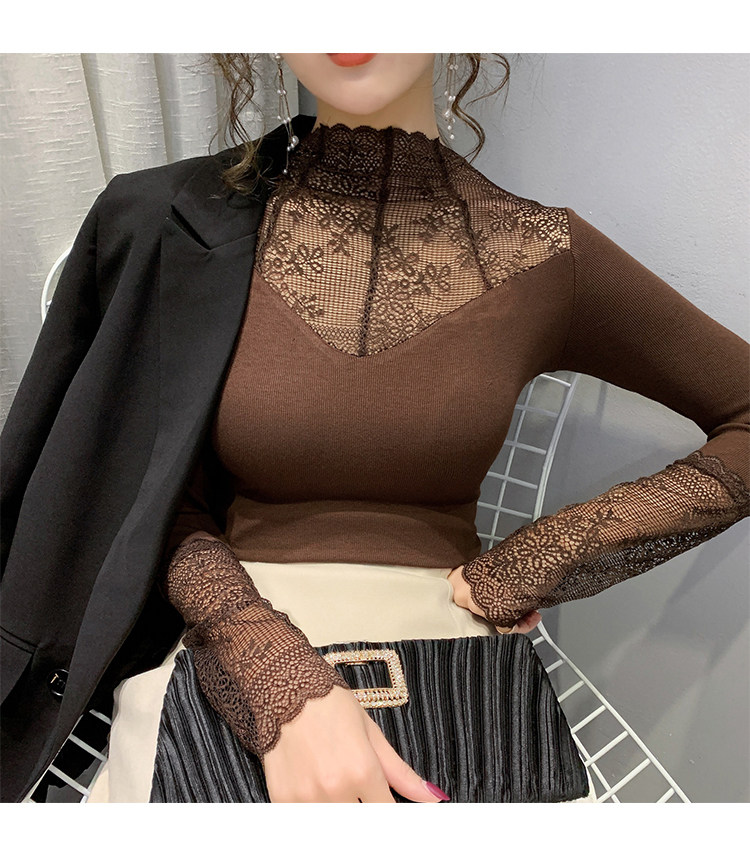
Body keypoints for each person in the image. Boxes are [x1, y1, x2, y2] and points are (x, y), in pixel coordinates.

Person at [2, 53, 748, 805]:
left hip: (459, 675)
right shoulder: (164, 220)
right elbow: (128, 487)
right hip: (222, 637)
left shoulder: (545, 256)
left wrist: (544, 558)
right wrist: (271, 672)